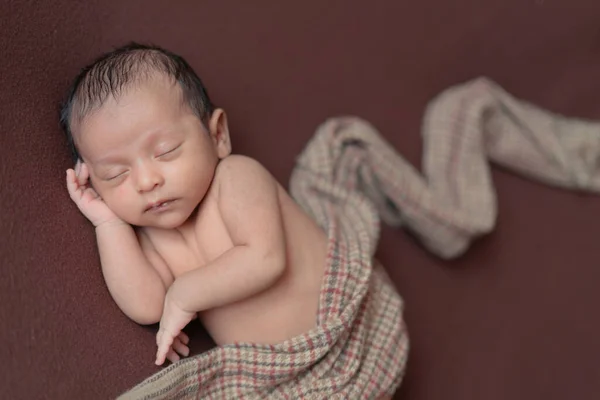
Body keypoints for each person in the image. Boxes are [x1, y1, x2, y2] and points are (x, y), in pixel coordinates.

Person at [60, 43, 329, 367]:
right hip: (288, 378)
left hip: (339, 325)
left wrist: (184, 294)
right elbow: (147, 306)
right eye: (116, 174)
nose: (146, 182)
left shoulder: (236, 177)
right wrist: (109, 224)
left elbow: (265, 258)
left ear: (217, 136)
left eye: (166, 151)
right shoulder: (151, 237)